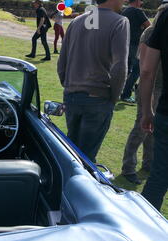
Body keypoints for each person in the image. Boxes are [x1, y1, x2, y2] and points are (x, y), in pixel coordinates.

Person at [57, 0, 129, 163]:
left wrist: (68, 85)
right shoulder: (120, 21)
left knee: (71, 154)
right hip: (98, 97)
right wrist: (114, 97)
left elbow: (62, 62)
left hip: (72, 95)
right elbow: (119, 66)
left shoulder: (77, 21)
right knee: (86, 160)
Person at [121, 4, 166, 185]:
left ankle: (149, 163)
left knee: (154, 130)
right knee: (141, 128)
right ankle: (128, 167)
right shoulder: (150, 33)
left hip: (161, 87)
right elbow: (144, 64)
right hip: (151, 87)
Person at [140, 4, 168, 211]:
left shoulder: (166, 15)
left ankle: (141, 235)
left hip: (166, 113)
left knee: (158, 178)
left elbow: (147, 70)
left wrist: (147, 110)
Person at [120, 0, 151, 103]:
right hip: (135, 45)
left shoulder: (124, 11)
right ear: (137, 1)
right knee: (136, 71)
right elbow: (149, 27)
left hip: (124, 43)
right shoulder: (138, 11)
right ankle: (126, 94)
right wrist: (141, 27)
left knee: (127, 70)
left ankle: (122, 91)